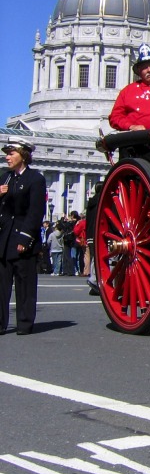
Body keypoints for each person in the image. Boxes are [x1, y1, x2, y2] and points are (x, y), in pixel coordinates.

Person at [108, 44, 150, 182]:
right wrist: (131, 126)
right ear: (139, 72)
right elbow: (115, 117)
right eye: (145, 67)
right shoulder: (128, 91)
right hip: (135, 145)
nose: (149, 70)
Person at [0, 140, 47, 335]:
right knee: (1, 284)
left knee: (24, 283)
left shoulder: (35, 179)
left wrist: (25, 238)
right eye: (7, 153)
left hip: (22, 237)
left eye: (11, 153)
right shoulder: (5, 178)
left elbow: (36, 212)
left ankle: (24, 323)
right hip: (4, 238)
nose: (7, 157)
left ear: (23, 154)